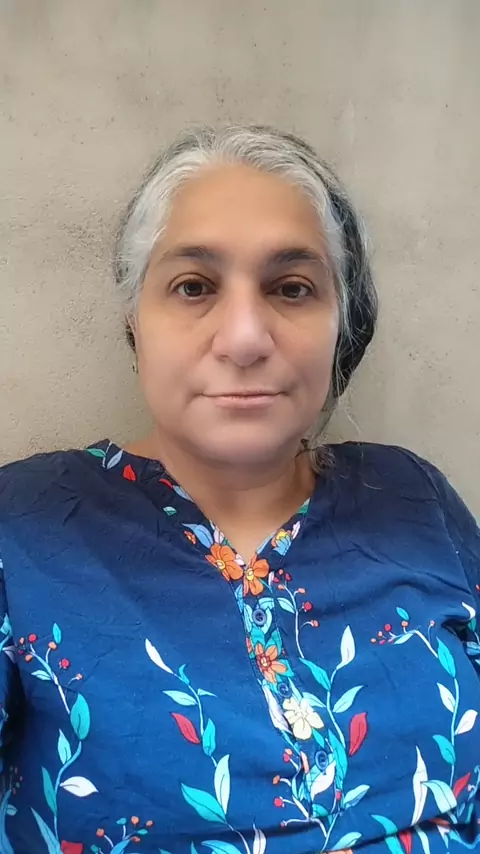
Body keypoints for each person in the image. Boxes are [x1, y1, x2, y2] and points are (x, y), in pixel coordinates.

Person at [0, 125, 478, 854]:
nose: (246, 337)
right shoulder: (27, 528)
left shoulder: (414, 498)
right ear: (134, 317)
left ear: (340, 321)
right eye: (193, 287)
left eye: (292, 289)